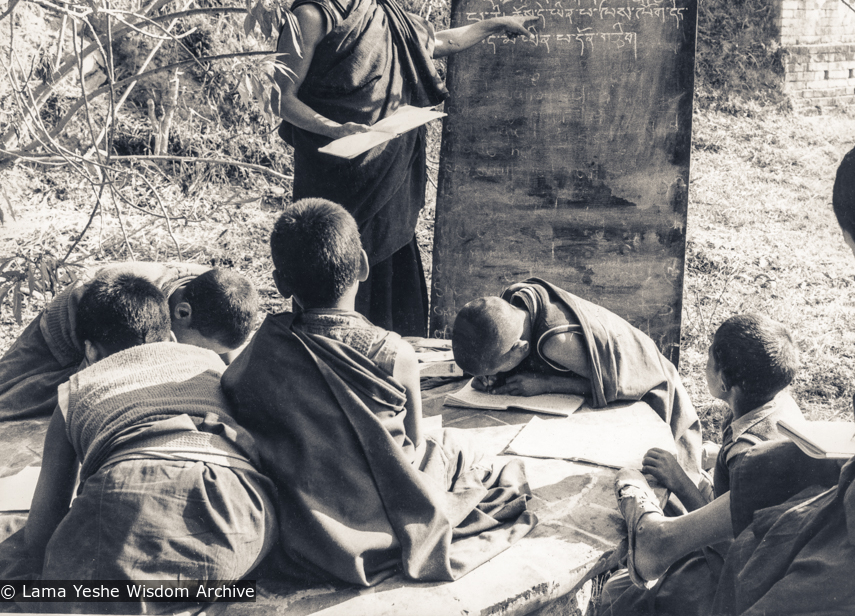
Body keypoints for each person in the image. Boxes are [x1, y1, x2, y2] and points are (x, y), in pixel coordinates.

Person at [604, 127, 855, 616]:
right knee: (789, 460)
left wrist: (807, 523)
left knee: (768, 566)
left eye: (852, 242)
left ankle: (666, 544)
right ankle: (665, 540)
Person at [221, 199, 536, 587]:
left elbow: (235, 390)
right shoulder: (394, 353)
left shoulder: (268, 346)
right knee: (462, 450)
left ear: (281, 283)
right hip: (386, 508)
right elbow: (415, 447)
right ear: (365, 265)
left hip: (305, 520)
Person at [275, 0, 536, 337]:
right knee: (333, 261)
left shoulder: (382, 9)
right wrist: (333, 128)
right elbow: (282, 99)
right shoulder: (309, 15)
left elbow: (438, 42)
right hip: (335, 173)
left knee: (390, 269)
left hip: (387, 173)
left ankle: (396, 358)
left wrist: (494, 24)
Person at [0, 274, 276, 607]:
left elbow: (42, 533)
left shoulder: (75, 389)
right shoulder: (211, 364)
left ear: (89, 349)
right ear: (168, 330)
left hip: (132, 490)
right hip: (245, 515)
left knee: (37, 589)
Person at [599, 313, 807, 616]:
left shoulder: (746, 455)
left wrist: (680, 480)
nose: (704, 364)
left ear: (723, 382)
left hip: (727, 576)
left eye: (709, 358)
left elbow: (728, 539)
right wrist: (716, 453)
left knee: (617, 596)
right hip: (768, 552)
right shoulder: (777, 404)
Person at [452, 277, 703, 480]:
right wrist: (495, 374)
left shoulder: (556, 343)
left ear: (520, 348)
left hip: (653, 386)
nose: (494, 376)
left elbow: (607, 385)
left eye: (495, 370)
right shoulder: (514, 303)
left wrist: (545, 385)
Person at [0, 262, 260, 421]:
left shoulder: (220, 297)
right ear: (182, 312)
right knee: (16, 398)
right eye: (202, 350)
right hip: (70, 323)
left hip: (126, 331)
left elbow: (231, 375)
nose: (203, 357)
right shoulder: (131, 310)